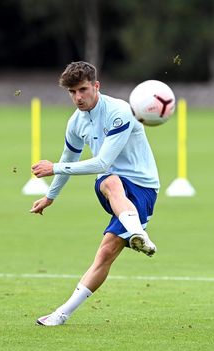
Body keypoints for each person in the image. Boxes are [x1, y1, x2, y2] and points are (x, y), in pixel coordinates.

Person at [30, 61, 160, 326]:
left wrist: (52, 167)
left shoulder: (120, 111)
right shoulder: (76, 123)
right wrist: (50, 196)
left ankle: (62, 314)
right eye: (72, 92)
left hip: (144, 188)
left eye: (83, 89)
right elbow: (69, 159)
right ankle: (138, 233)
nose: (78, 97)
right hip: (113, 188)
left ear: (96, 86)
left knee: (105, 254)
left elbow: (100, 162)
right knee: (110, 181)